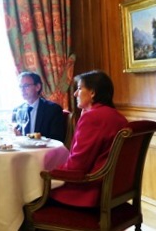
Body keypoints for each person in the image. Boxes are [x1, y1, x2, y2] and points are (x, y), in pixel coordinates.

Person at [48, 70, 128, 207]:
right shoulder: (118, 117)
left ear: (92, 93)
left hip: (90, 193)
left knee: (33, 196)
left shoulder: (93, 117)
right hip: (115, 190)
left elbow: (77, 166)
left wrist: (50, 172)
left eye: (79, 88)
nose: (75, 94)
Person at [11, 71, 66, 142]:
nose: (22, 90)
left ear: (38, 87)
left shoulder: (53, 110)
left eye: (26, 86)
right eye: (20, 86)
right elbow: (15, 134)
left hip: (44, 148)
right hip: (23, 148)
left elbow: (57, 139)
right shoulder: (17, 110)